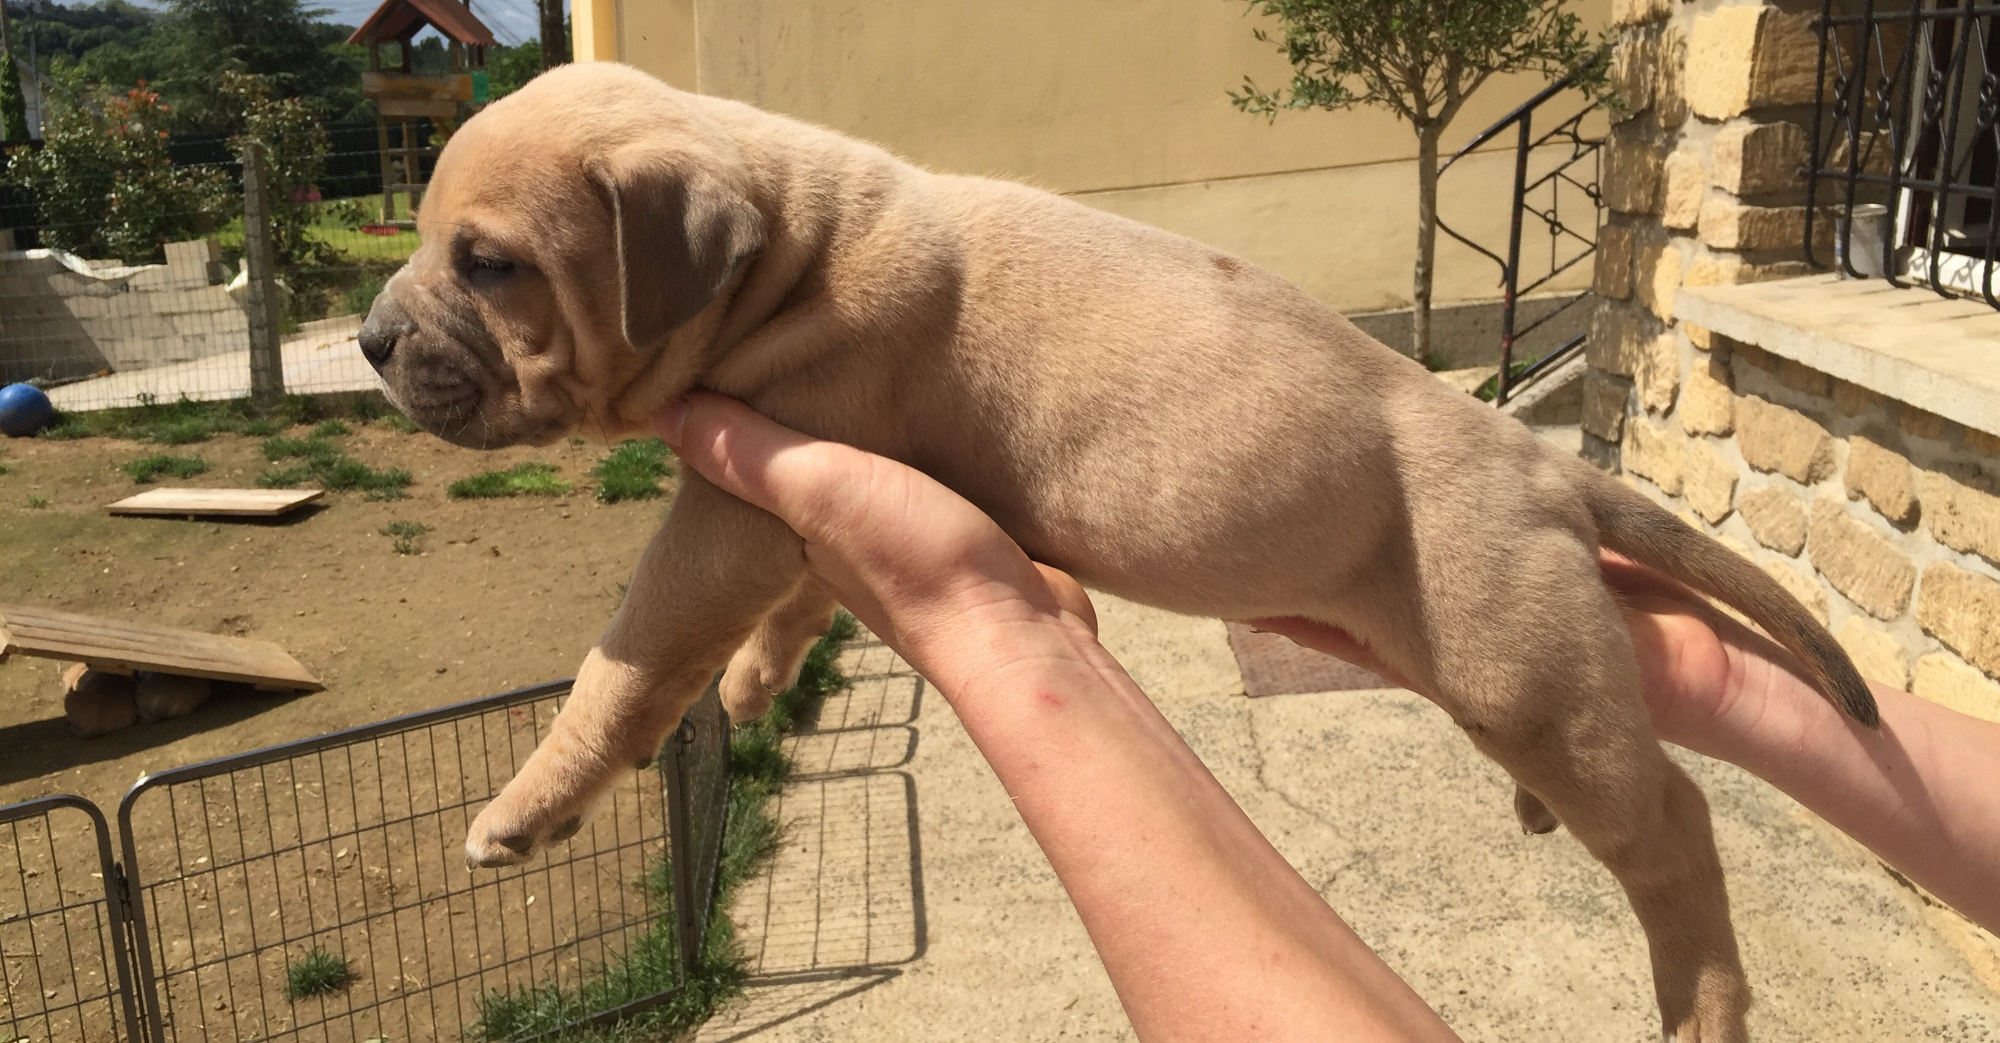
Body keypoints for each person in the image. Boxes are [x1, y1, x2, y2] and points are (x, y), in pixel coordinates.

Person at [655, 392, 2000, 1043]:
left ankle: (1691, 943)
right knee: (1544, 706)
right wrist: (1717, 683)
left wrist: (990, 628)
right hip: (1443, 484)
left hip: (1429, 489)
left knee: (1610, 792)